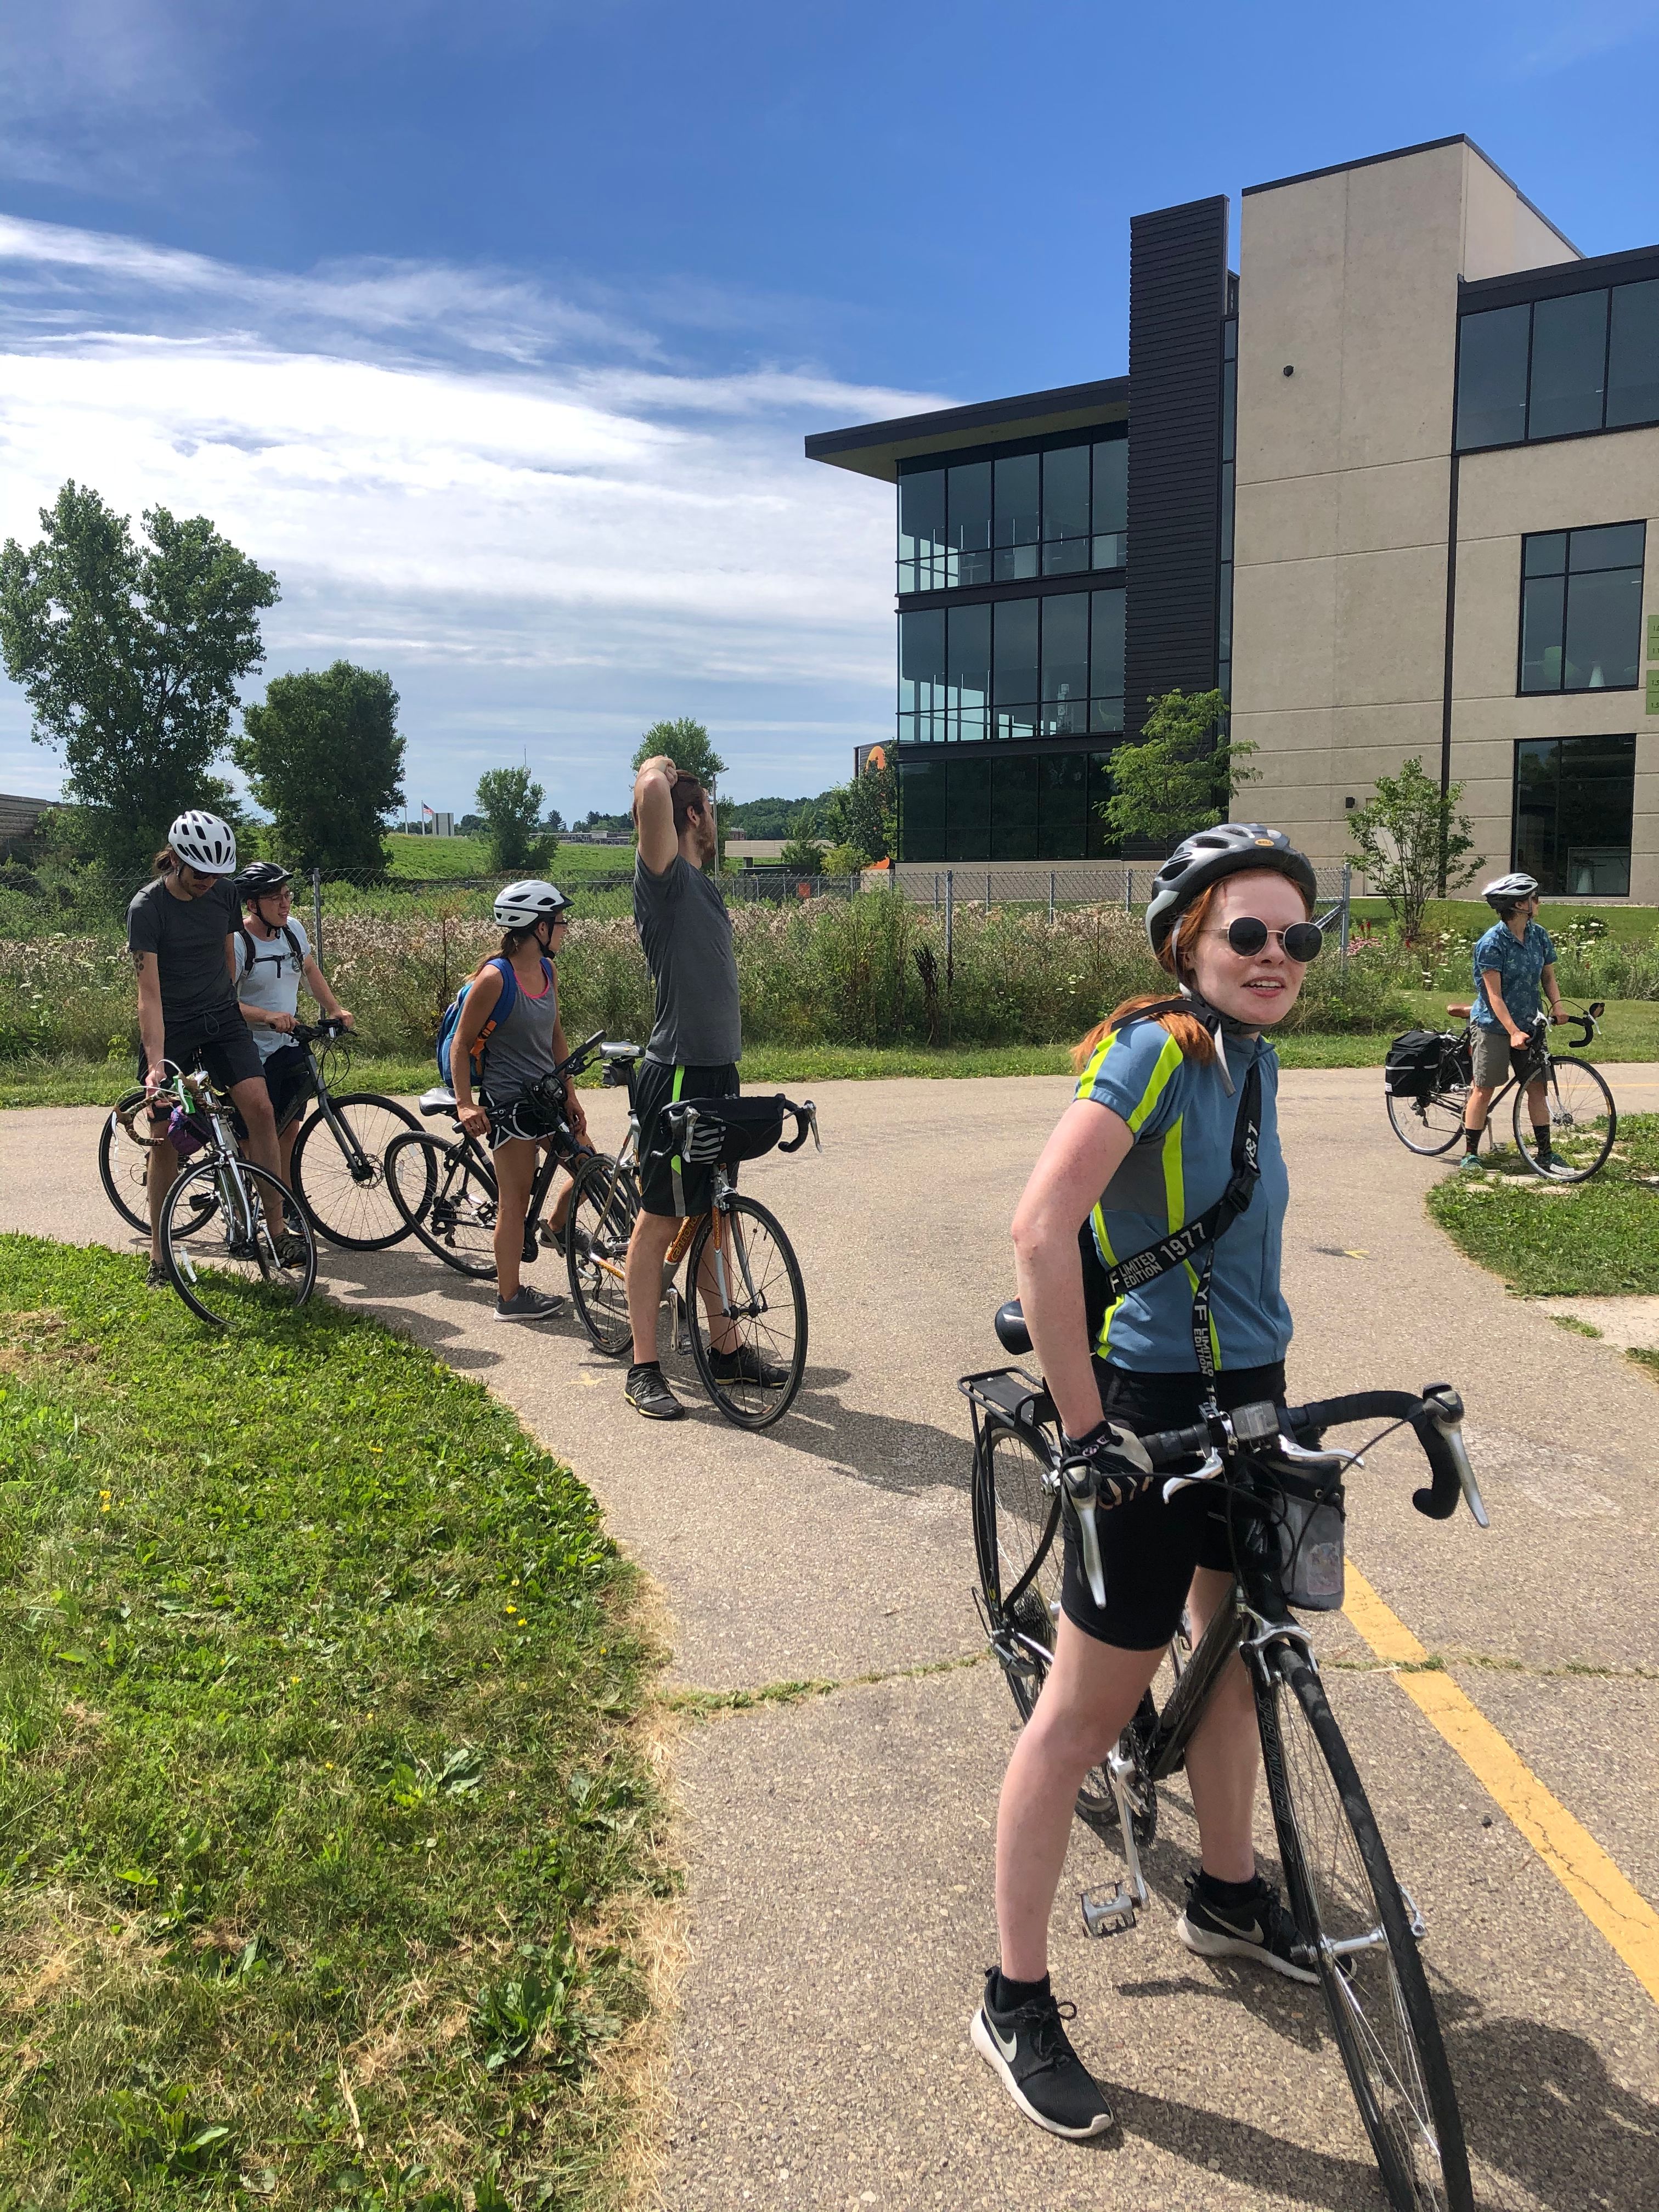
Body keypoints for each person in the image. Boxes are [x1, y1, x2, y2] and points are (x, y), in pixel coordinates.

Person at [974, 823, 1324, 2142]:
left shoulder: (1256, 1059)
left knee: (1231, 1659)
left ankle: (1227, 1894)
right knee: (1078, 1718)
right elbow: (1039, 1225)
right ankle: (1014, 1998)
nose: (1278, 954)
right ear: (1191, 942)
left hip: (1256, 1393)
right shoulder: (1157, 1050)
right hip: (1149, 1410)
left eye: (1300, 935)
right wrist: (1085, 1427)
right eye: (1250, 933)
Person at [624, 753, 782, 1419]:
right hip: (679, 1069)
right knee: (661, 1219)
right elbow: (650, 792)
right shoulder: (664, 880)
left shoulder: (702, 884)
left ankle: (724, 1349)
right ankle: (643, 1367)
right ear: (693, 816)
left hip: (718, 1071)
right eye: (711, 809)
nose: (717, 820)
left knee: (716, 1216)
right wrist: (656, 766)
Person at [127, 810, 294, 1283]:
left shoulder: (222, 893)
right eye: (201, 873)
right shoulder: (148, 908)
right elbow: (149, 994)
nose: (209, 882)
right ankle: (160, 1256)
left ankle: (277, 1231)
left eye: (217, 874)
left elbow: (226, 956)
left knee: (260, 1108)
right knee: (164, 1140)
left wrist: (228, 1004)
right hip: (173, 1023)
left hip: (220, 1016)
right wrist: (157, 1063)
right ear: (177, 860)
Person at [450, 879, 585, 1324]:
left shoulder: (548, 971)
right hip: (510, 1106)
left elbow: (555, 1034)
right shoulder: (494, 978)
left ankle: (558, 1230)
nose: (565, 928)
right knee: (515, 1200)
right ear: (537, 928)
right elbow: (461, 1044)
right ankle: (509, 1299)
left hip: (546, 1094)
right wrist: (467, 1105)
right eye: (560, 921)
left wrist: (570, 1092)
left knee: (588, 1166)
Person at [233, 862, 355, 1191]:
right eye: (275, 898)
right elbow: (225, 1003)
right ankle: (248, 1196)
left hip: (288, 1044)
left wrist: (334, 1008)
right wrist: (267, 1017)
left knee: (289, 1128)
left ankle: (283, 1199)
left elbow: (310, 971)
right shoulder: (238, 942)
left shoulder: (293, 930)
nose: (285, 903)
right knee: (255, 1133)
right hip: (249, 1051)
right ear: (252, 905)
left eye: (287, 895)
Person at [1458, 872, 1563, 1171]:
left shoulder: (1538, 935)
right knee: (1484, 1088)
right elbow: (1494, 996)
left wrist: (1557, 1005)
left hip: (1529, 1024)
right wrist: (1513, 1031)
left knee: (1537, 1089)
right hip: (1494, 1025)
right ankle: (1471, 1154)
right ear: (1520, 905)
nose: (1538, 903)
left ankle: (1545, 1153)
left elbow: (1548, 975)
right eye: (1534, 898)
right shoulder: (1491, 943)